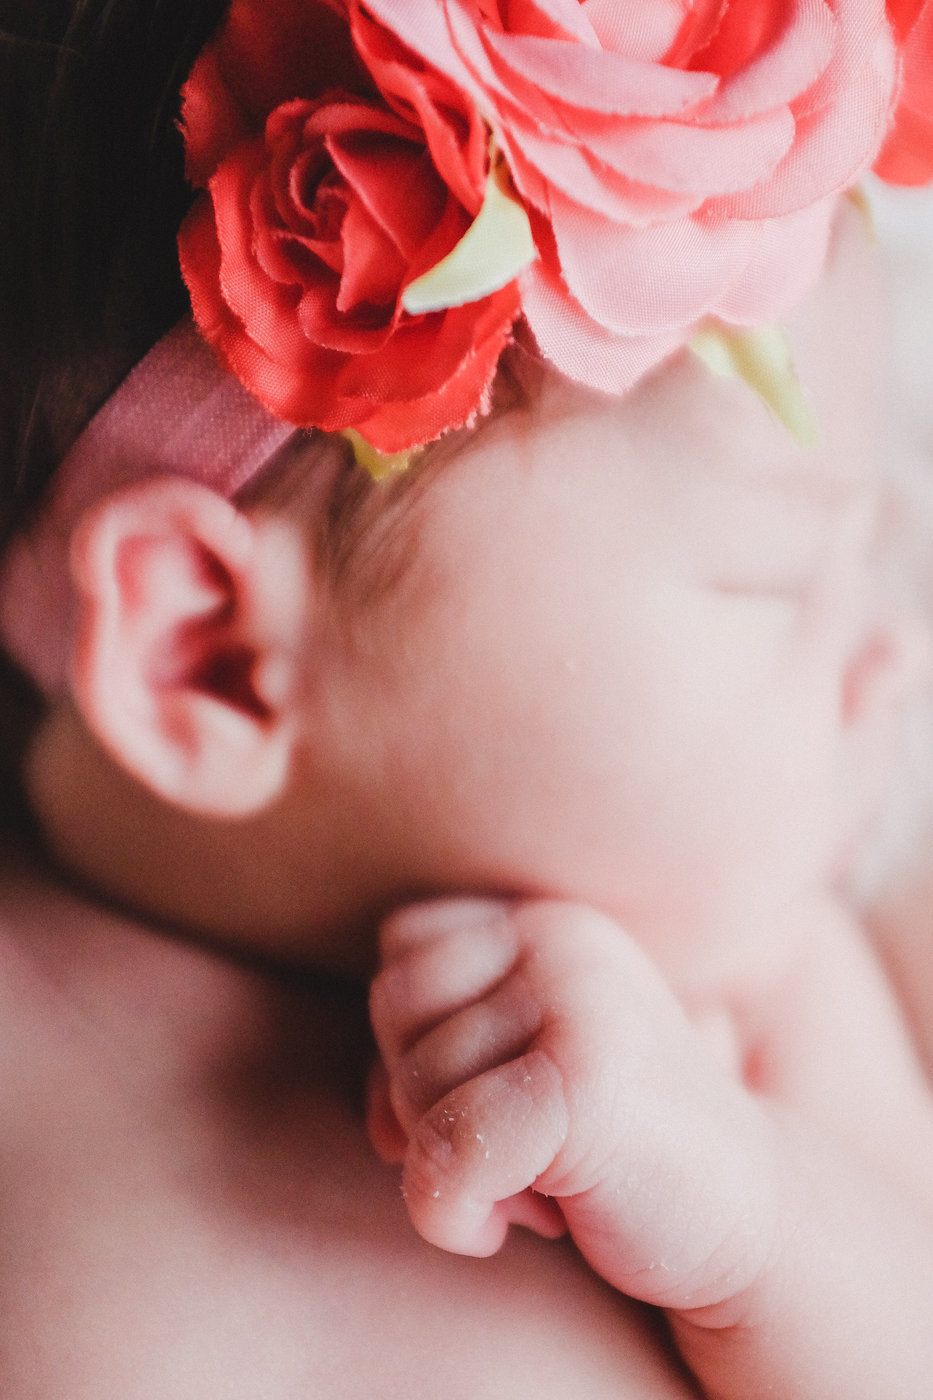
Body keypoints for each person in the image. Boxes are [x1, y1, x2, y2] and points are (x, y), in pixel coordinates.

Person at [3, 2, 933, 1396]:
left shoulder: (751, 1000)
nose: (895, 655)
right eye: (775, 578)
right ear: (210, 654)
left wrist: (754, 1228)